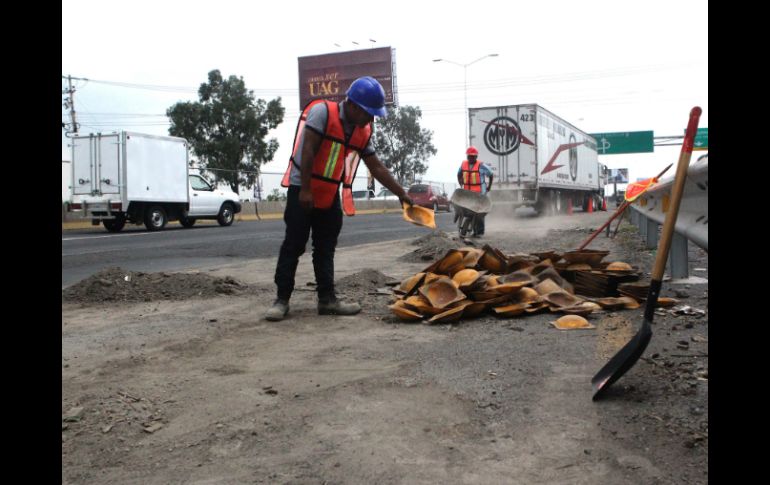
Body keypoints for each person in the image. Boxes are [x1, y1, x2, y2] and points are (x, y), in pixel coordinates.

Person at [265, 76, 413, 321]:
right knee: (294, 244)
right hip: (303, 189)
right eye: (369, 113)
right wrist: (305, 190)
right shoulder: (322, 113)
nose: (372, 119)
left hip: (328, 193)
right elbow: (308, 149)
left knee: (325, 248)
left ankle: (327, 300)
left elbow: (377, 168)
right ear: (354, 106)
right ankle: (281, 300)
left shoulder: (362, 130)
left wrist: (402, 194)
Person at [456, 146, 493, 236]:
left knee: (479, 212)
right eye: (469, 156)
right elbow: (459, 173)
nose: (471, 158)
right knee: (466, 210)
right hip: (468, 194)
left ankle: (479, 231)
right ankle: (464, 227)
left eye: (473, 156)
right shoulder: (463, 164)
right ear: (467, 156)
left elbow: (491, 174)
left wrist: (489, 187)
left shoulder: (481, 166)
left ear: (476, 156)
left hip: (479, 194)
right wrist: (460, 182)